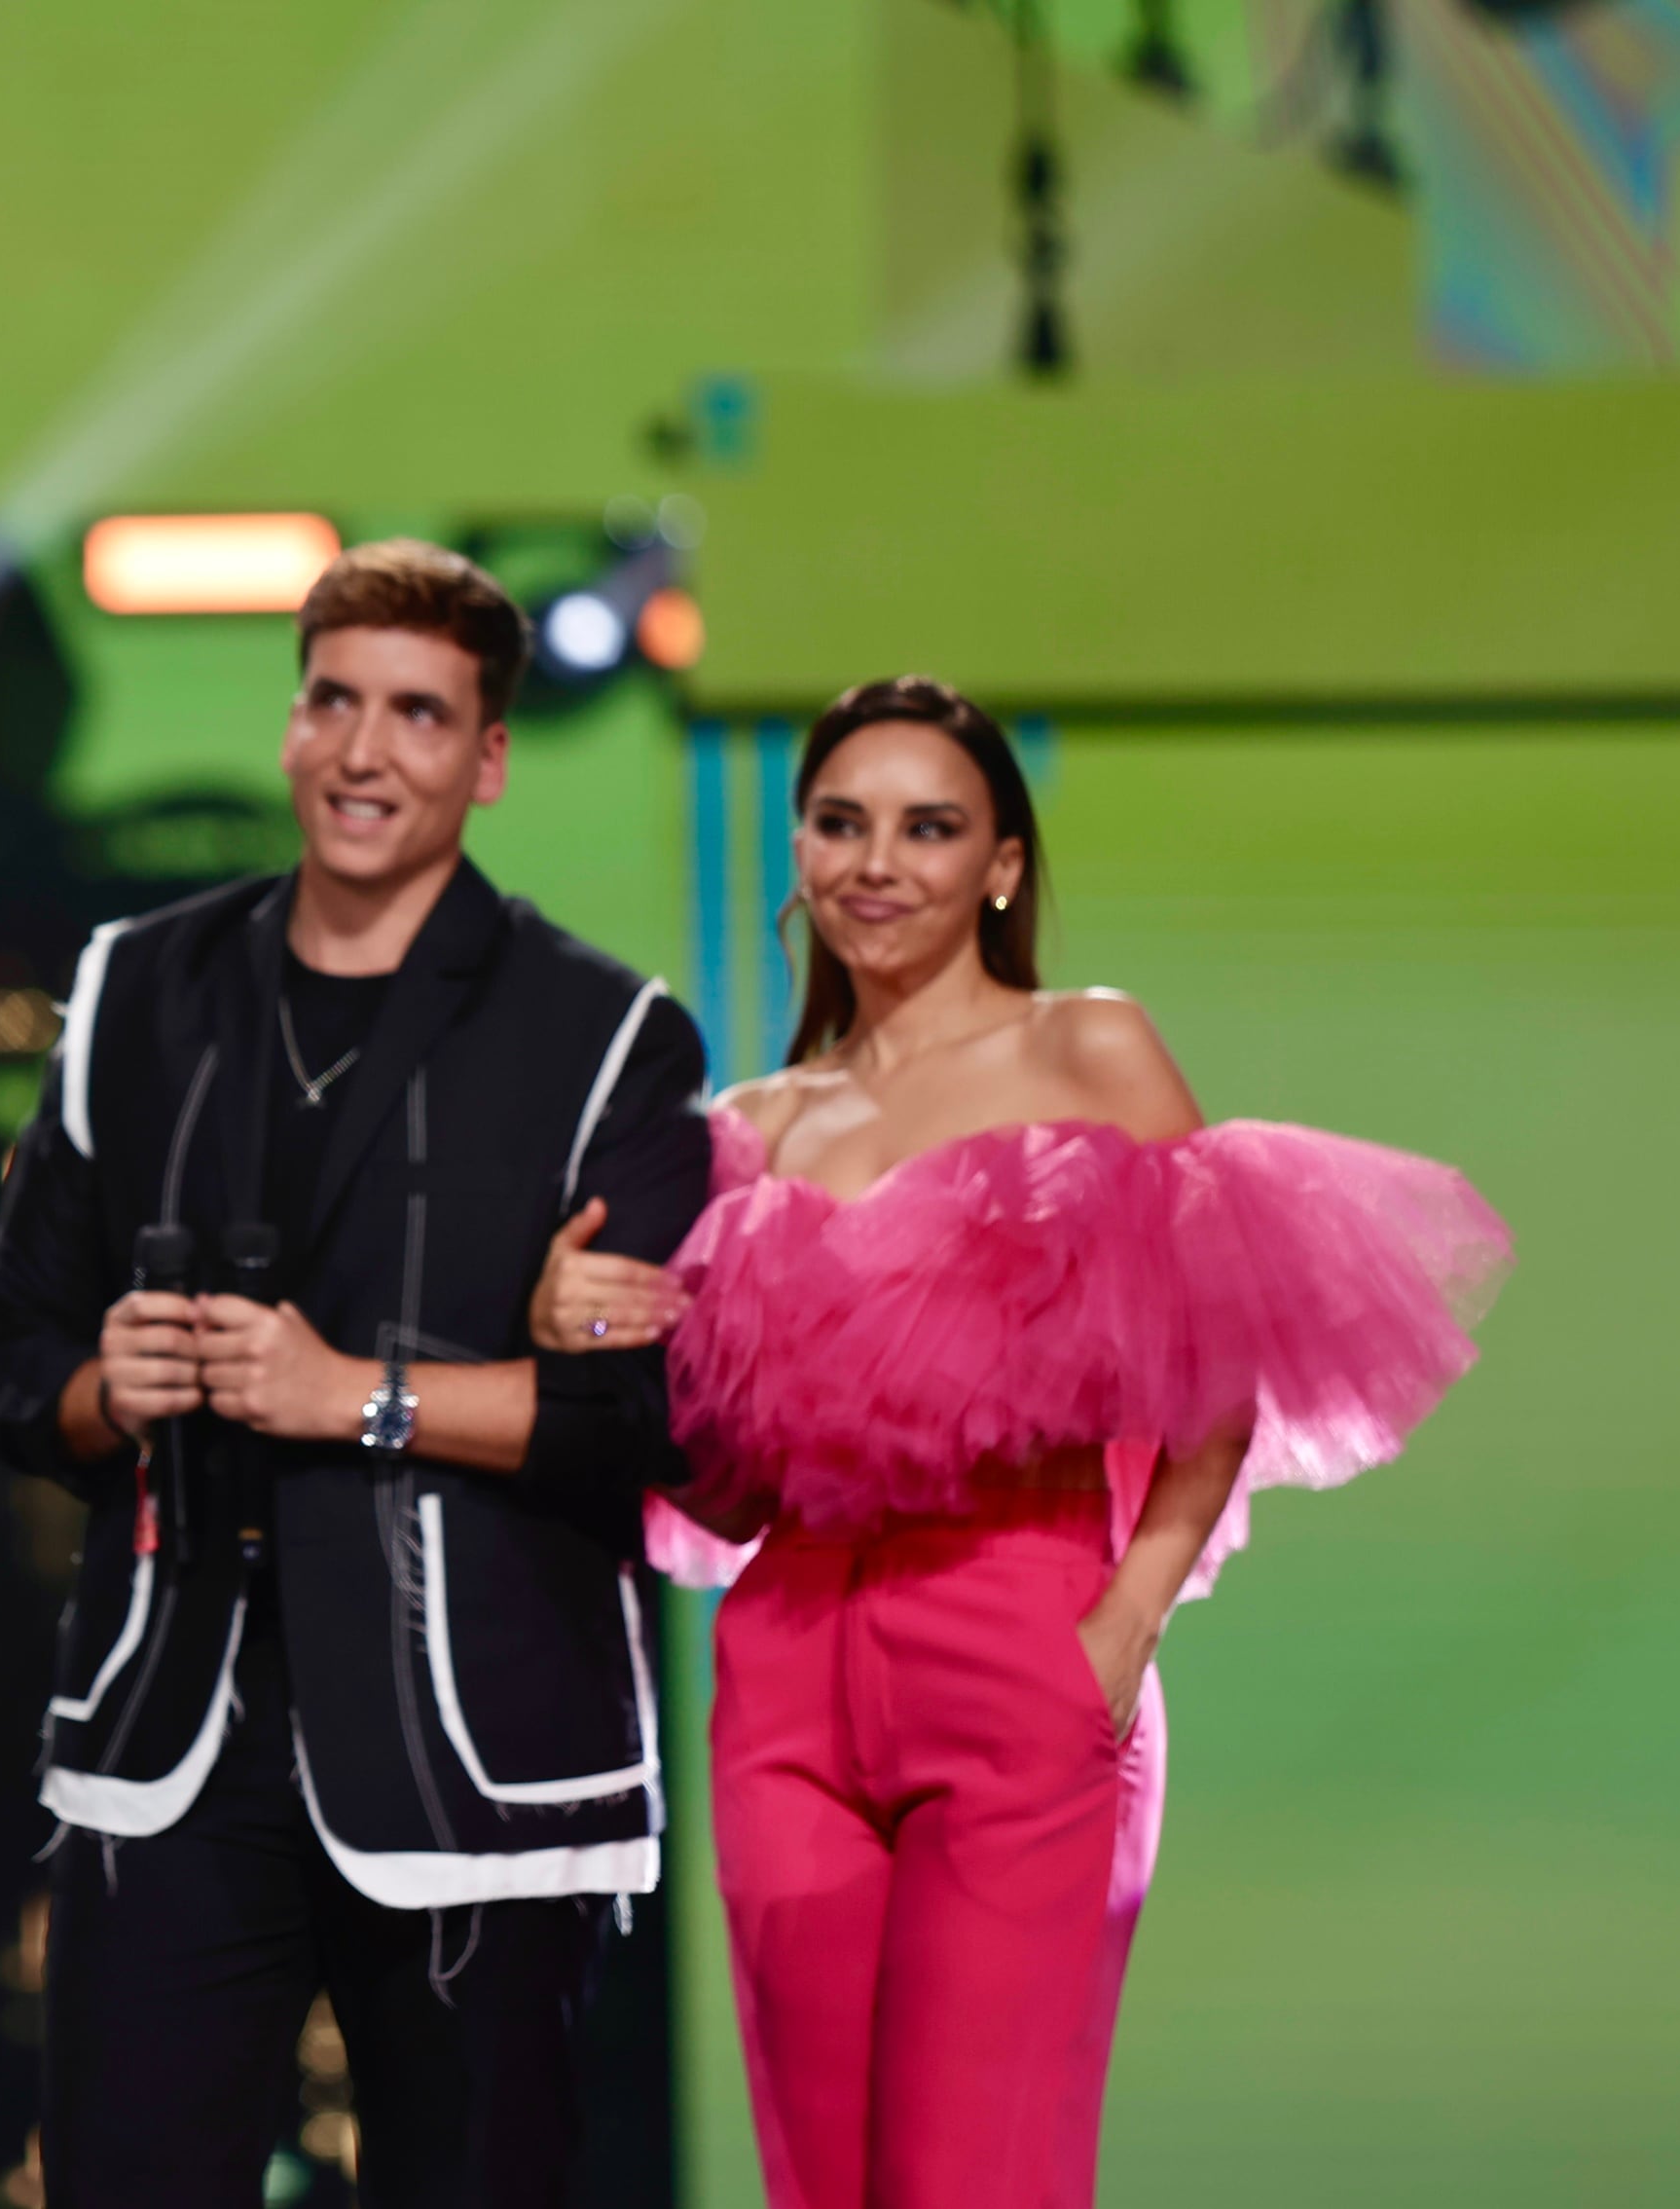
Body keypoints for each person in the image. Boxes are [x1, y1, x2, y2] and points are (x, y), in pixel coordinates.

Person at [526, 677, 1511, 2209]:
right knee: (822, 2184)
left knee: (973, 2180)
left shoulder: (1087, 1050)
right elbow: (719, 1474)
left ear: (1000, 863)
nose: (878, 861)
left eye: (931, 827)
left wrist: (1122, 1621)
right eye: (843, 822)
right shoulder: (749, 1127)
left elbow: (1222, 1360)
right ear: (798, 848)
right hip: (783, 1671)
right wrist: (583, 1334)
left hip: (1023, 1638)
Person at [0, 541, 714, 2206]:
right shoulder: (136, 988)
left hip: (479, 1749)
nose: (367, 751)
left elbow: (661, 1424)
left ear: (490, 758)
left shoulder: (606, 1034)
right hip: (171, 1734)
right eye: (335, 702)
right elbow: (15, 1354)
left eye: (420, 715)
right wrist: (113, 1383)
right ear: (293, 721)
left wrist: (355, 1394)